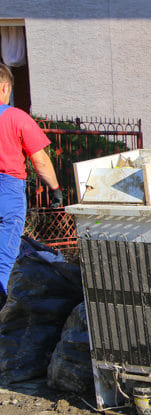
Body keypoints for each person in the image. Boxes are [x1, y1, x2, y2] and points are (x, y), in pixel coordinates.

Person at [0, 62, 61, 302]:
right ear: (5, 88)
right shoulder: (16, 117)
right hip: (8, 192)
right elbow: (41, 161)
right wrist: (55, 189)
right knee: (4, 259)